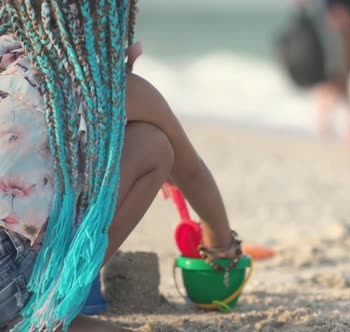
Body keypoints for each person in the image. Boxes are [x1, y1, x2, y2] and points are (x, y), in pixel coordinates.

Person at [0, 1, 240, 331]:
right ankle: (47, 310)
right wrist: (222, 248)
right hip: (8, 282)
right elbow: (192, 172)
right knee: (155, 147)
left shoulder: (8, 57)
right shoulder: (114, 91)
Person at [315, 0, 350, 146]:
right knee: (338, 74)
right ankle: (347, 126)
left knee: (339, 74)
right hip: (342, 13)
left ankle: (327, 123)